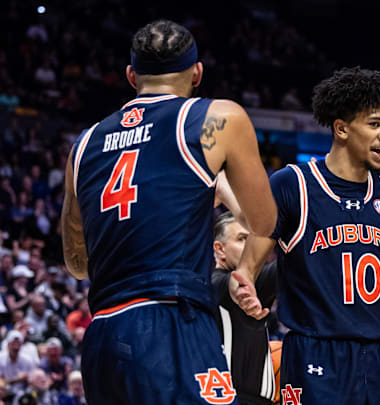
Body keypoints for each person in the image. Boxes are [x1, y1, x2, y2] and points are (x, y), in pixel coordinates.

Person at [60, 19, 276, 405]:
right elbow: (263, 222)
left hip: (104, 333)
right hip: (170, 324)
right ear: (197, 73)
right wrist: (216, 186)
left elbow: (77, 264)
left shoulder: (83, 145)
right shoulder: (217, 118)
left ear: (131, 75)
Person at [235, 67, 380, 405]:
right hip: (315, 351)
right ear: (342, 128)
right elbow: (246, 269)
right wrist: (244, 287)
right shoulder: (293, 185)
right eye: (376, 124)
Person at [211, 209, 277, 405]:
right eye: (242, 239)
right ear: (220, 249)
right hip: (231, 396)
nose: (252, 249)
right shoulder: (218, 283)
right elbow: (289, 266)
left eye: (255, 242)